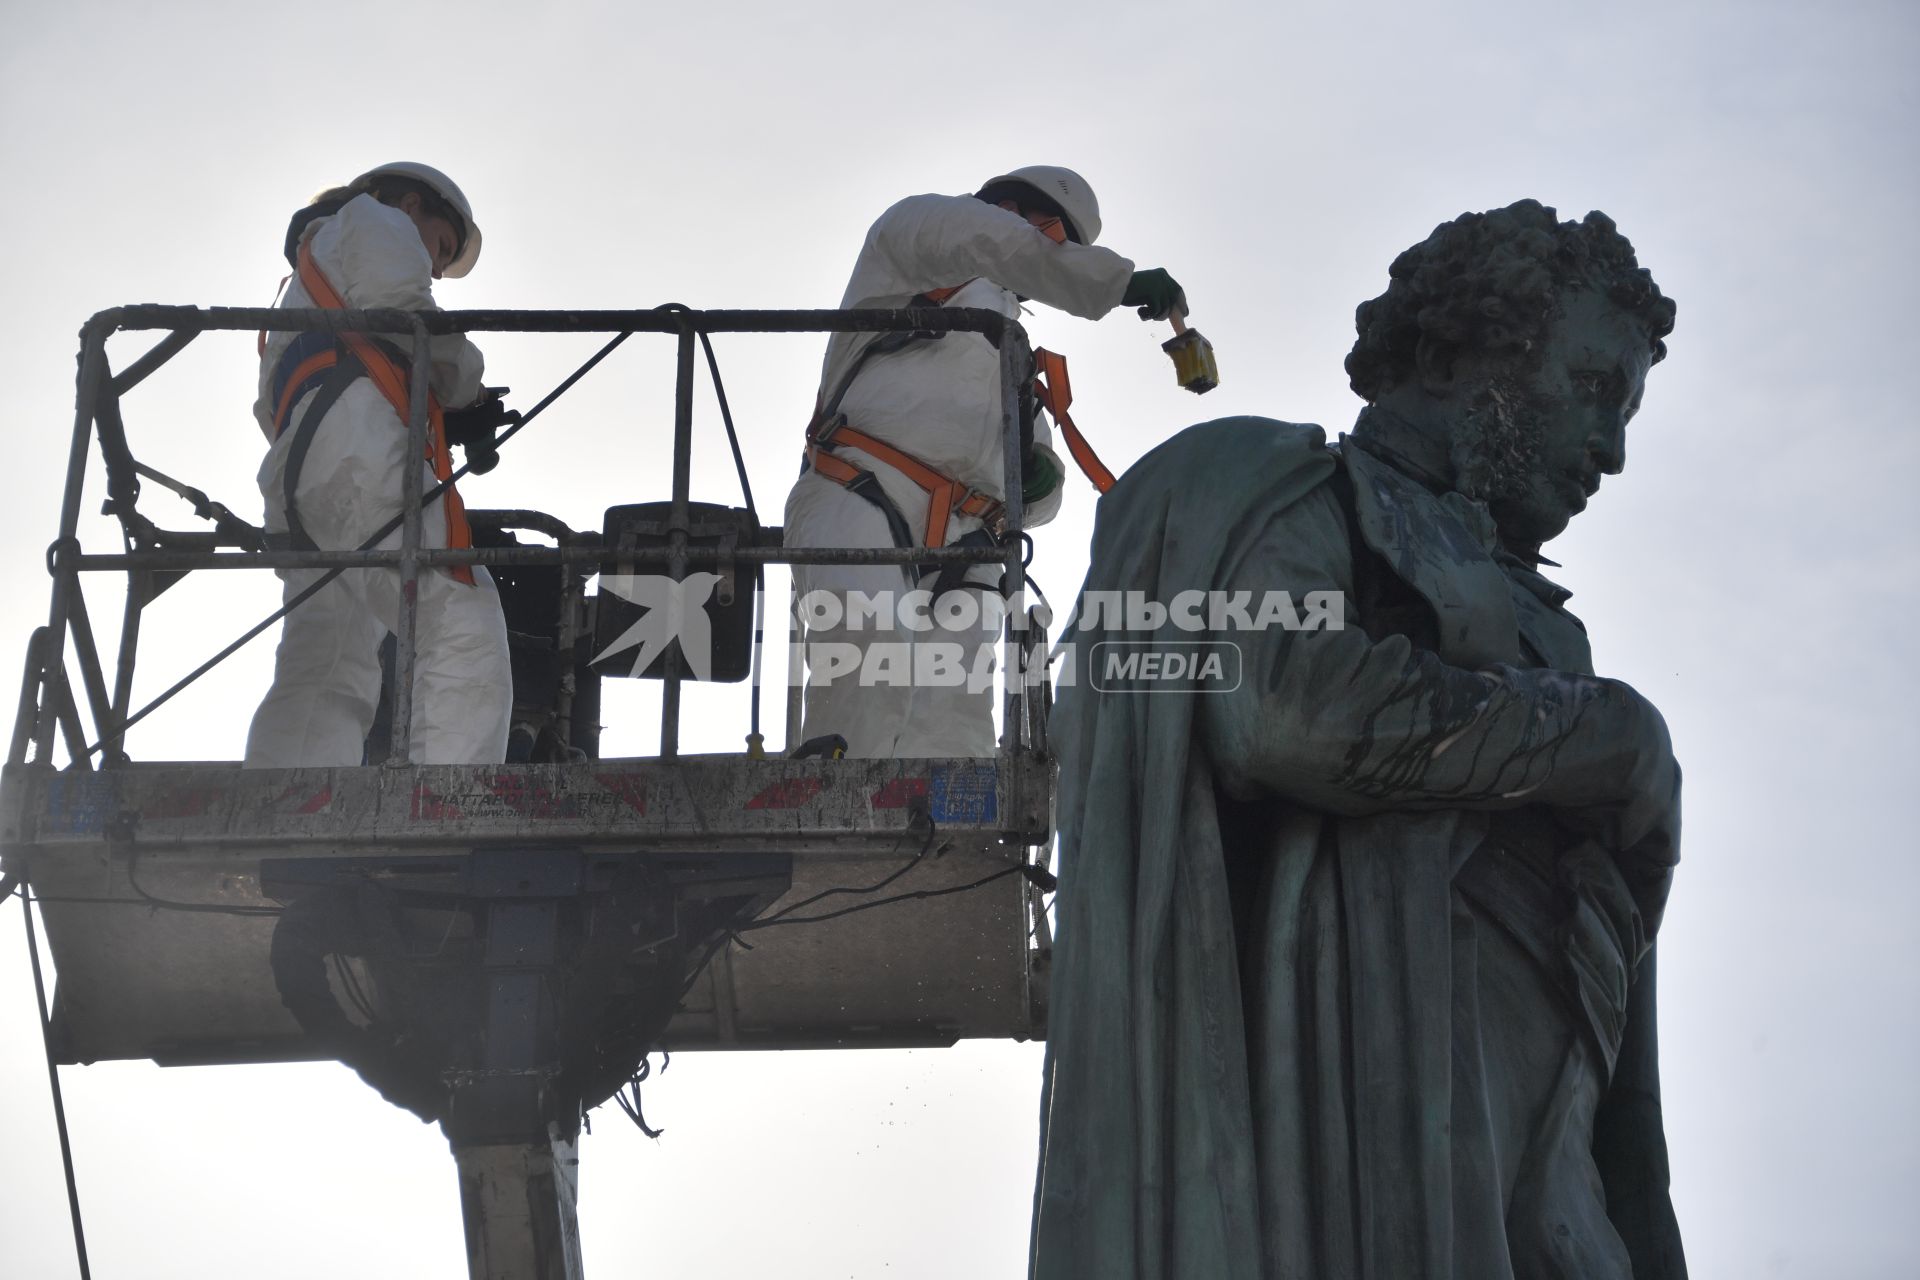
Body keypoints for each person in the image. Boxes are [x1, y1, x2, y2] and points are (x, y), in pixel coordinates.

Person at [1031, 201, 1687, 1279]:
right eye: (1593, 390)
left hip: (1553, 1194)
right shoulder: (1289, 490)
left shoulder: (1551, 627)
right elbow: (1282, 705)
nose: (1611, 449)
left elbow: (1626, 1070)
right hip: (1364, 1154)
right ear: (1447, 353)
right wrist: (1601, 732)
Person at [784, 165, 1187, 758]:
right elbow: (989, 239)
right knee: (867, 659)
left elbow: (1041, 494)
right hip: (860, 492)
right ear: (1007, 206)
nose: (1050, 258)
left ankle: (950, 846)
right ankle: (828, 819)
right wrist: (1114, 282)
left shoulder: (1008, 348)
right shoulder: (914, 237)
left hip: (967, 540)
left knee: (953, 728)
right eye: (1051, 239)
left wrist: (1040, 477)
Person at [243, 162, 512, 768]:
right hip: (359, 460)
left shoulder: (302, 284)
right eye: (440, 247)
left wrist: (425, 395)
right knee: (457, 612)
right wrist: (465, 383)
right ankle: (451, 798)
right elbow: (405, 309)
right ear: (413, 204)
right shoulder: (376, 219)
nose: (437, 268)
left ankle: (287, 801)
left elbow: (282, 399)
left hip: (299, 480)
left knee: (328, 653)